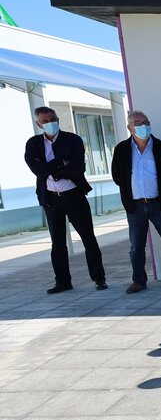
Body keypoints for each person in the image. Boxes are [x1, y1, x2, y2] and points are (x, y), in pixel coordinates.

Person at [23, 106, 107, 293]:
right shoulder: (33, 144)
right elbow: (37, 170)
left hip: (73, 196)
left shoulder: (73, 140)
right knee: (57, 243)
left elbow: (78, 168)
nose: (50, 123)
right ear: (38, 123)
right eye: (45, 121)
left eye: (52, 119)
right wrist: (61, 162)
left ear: (58, 119)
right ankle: (63, 282)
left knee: (88, 238)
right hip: (51, 199)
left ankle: (99, 278)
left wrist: (51, 169)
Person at [110, 110, 161, 293]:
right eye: (137, 123)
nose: (142, 126)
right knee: (136, 247)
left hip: (160, 205)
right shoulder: (121, 150)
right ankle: (139, 281)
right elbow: (117, 176)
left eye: (145, 122)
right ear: (129, 128)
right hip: (135, 206)